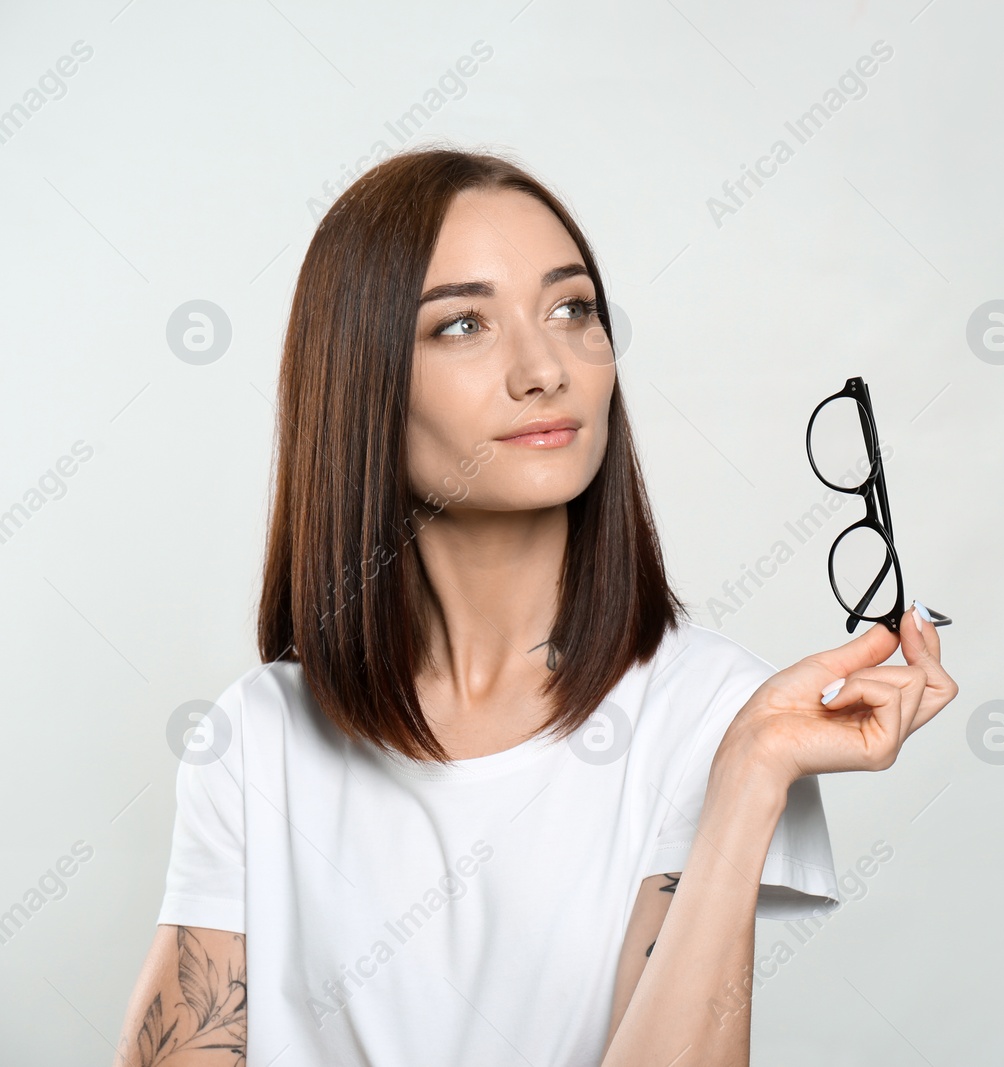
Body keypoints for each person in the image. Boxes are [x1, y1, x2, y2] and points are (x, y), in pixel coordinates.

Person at [112, 145, 957, 1067]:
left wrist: (752, 773)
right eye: (462, 325)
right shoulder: (258, 735)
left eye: (572, 309)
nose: (544, 367)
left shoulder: (712, 711)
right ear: (359, 387)